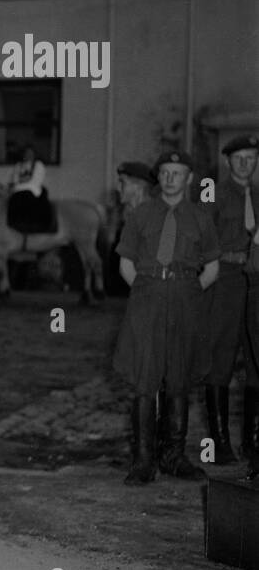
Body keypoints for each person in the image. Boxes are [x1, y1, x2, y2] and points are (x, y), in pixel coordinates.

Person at [113, 150, 220, 484]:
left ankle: (174, 456)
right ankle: (144, 460)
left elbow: (213, 268)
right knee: (145, 378)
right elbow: (125, 264)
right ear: (158, 178)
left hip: (186, 299)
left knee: (179, 376)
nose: (171, 178)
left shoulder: (201, 218)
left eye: (178, 172)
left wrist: (185, 292)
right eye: (166, 172)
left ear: (189, 178)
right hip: (147, 298)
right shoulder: (141, 215)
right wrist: (150, 292)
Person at [200, 134, 259, 466]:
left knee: (255, 359)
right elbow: (200, 239)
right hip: (225, 282)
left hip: (256, 284)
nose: (245, 164)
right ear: (227, 161)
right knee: (221, 355)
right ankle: (220, 442)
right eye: (239, 158)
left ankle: (252, 442)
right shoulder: (214, 193)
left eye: (251, 158)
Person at [7, 145, 50, 235]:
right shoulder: (18, 166)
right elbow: (15, 180)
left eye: (30, 153)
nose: (28, 155)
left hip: (32, 190)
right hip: (18, 191)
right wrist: (18, 185)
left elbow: (36, 180)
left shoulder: (38, 165)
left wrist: (20, 184)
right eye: (26, 153)